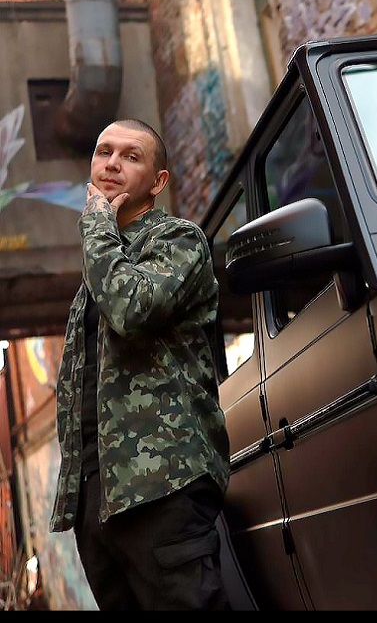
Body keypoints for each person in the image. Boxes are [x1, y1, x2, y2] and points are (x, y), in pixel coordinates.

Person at [49, 118, 231, 611]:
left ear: (158, 181)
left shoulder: (178, 241)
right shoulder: (100, 265)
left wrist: (96, 226)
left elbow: (131, 309)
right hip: (98, 500)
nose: (112, 164)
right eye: (103, 151)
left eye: (131, 156)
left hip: (162, 488)